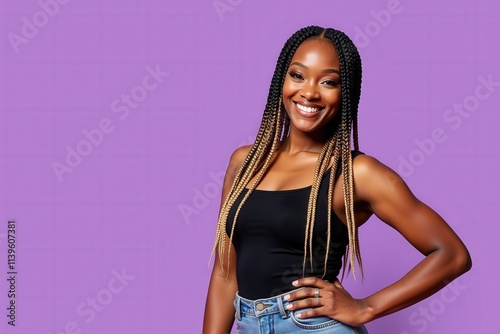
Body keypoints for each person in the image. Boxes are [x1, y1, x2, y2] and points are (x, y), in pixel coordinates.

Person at [203, 25, 471, 333]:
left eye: (328, 81)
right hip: (248, 323)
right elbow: (225, 273)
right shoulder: (244, 162)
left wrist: (364, 307)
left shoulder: (357, 173)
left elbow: (452, 255)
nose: (309, 92)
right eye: (298, 75)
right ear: (282, 80)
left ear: (346, 92)